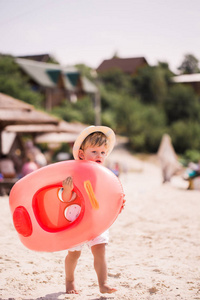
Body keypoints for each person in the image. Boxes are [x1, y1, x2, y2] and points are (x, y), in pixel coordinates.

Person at [59, 125, 123, 294]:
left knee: (100, 250)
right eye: (94, 151)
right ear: (81, 154)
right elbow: (65, 199)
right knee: (74, 254)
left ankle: (103, 283)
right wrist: (66, 190)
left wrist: (118, 204)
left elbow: (108, 196)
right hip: (76, 218)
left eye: (103, 152)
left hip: (96, 220)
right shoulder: (75, 171)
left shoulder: (104, 174)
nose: (99, 156)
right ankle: (70, 281)